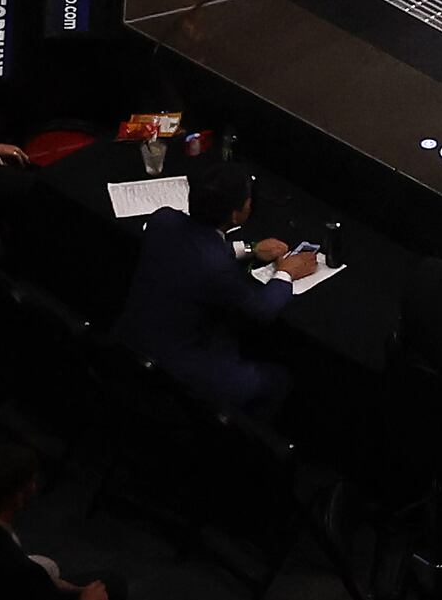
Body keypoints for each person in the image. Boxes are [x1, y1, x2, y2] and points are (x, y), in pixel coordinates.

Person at [114, 157, 311, 417]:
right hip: (178, 370)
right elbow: (260, 310)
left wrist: (248, 249)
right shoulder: (218, 270)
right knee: (278, 380)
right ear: (235, 213)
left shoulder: (162, 220)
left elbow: (191, 250)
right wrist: (286, 273)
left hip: (128, 344)